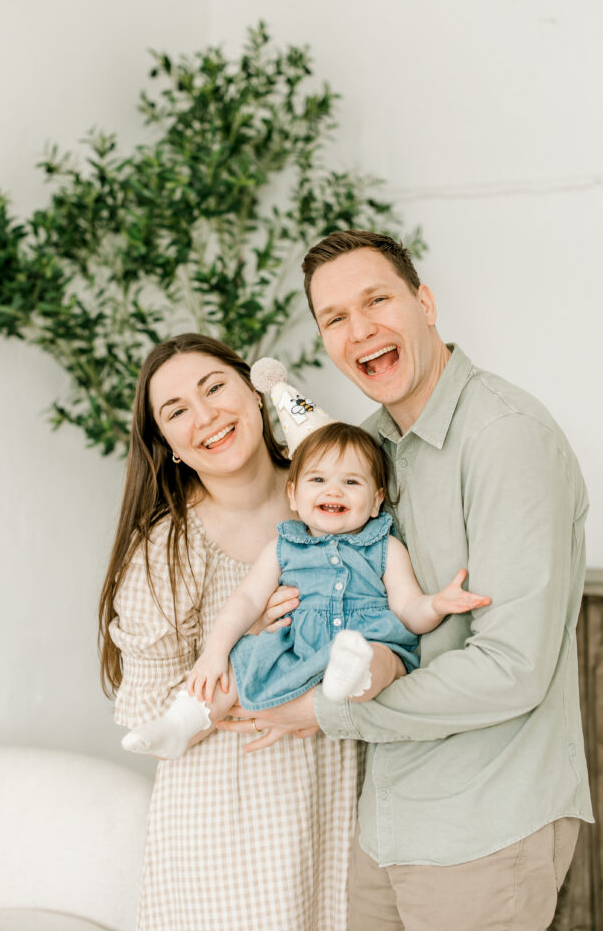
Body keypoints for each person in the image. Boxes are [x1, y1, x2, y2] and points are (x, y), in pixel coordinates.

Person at [222, 231, 594, 931]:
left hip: (484, 827)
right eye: (334, 318)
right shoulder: (366, 452)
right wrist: (277, 621)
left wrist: (326, 713)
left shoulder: (504, 437)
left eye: (376, 300)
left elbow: (512, 668)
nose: (359, 329)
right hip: (386, 821)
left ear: (423, 303)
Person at [97, 333, 360, 931]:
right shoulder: (170, 549)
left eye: (214, 387)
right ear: (170, 448)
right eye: (177, 411)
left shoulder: (339, 497)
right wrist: (246, 656)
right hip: (226, 827)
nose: (206, 415)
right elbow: (149, 717)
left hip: (342, 800)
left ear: (254, 390)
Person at [122, 421, 491, 760]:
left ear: (377, 500)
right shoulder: (283, 548)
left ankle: (353, 677)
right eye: (318, 480)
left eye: (351, 482)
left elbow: (408, 610)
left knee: (381, 659)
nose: (334, 489)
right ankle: (180, 725)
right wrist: (215, 652)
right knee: (237, 664)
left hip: (369, 639)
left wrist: (436, 605)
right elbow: (247, 599)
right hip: (297, 647)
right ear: (294, 496)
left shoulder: (384, 548)